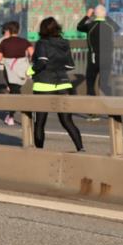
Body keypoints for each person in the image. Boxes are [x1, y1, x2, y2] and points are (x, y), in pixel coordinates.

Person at [28, 17, 83, 152]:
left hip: (44, 85)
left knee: (39, 123)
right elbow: (70, 66)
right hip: (64, 85)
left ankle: (39, 152)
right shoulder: (65, 43)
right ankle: (81, 149)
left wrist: (29, 71)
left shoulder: (42, 43)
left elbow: (41, 62)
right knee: (67, 121)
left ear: (42, 29)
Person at [77, 5, 119, 119]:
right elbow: (117, 27)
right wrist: (107, 16)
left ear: (94, 14)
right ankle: (113, 110)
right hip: (107, 60)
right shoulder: (110, 26)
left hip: (94, 60)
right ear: (105, 14)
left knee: (90, 84)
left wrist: (87, 15)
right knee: (105, 85)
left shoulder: (90, 26)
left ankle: (93, 112)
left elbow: (79, 27)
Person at [0, 21, 33, 126]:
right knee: (15, 90)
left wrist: (6, 60)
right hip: (22, 71)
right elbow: (32, 53)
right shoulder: (24, 41)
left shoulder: (4, 42)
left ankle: (15, 115)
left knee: (13, 91)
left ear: (9, 31)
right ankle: (17, 114)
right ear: (19, 30)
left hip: (10, 71)